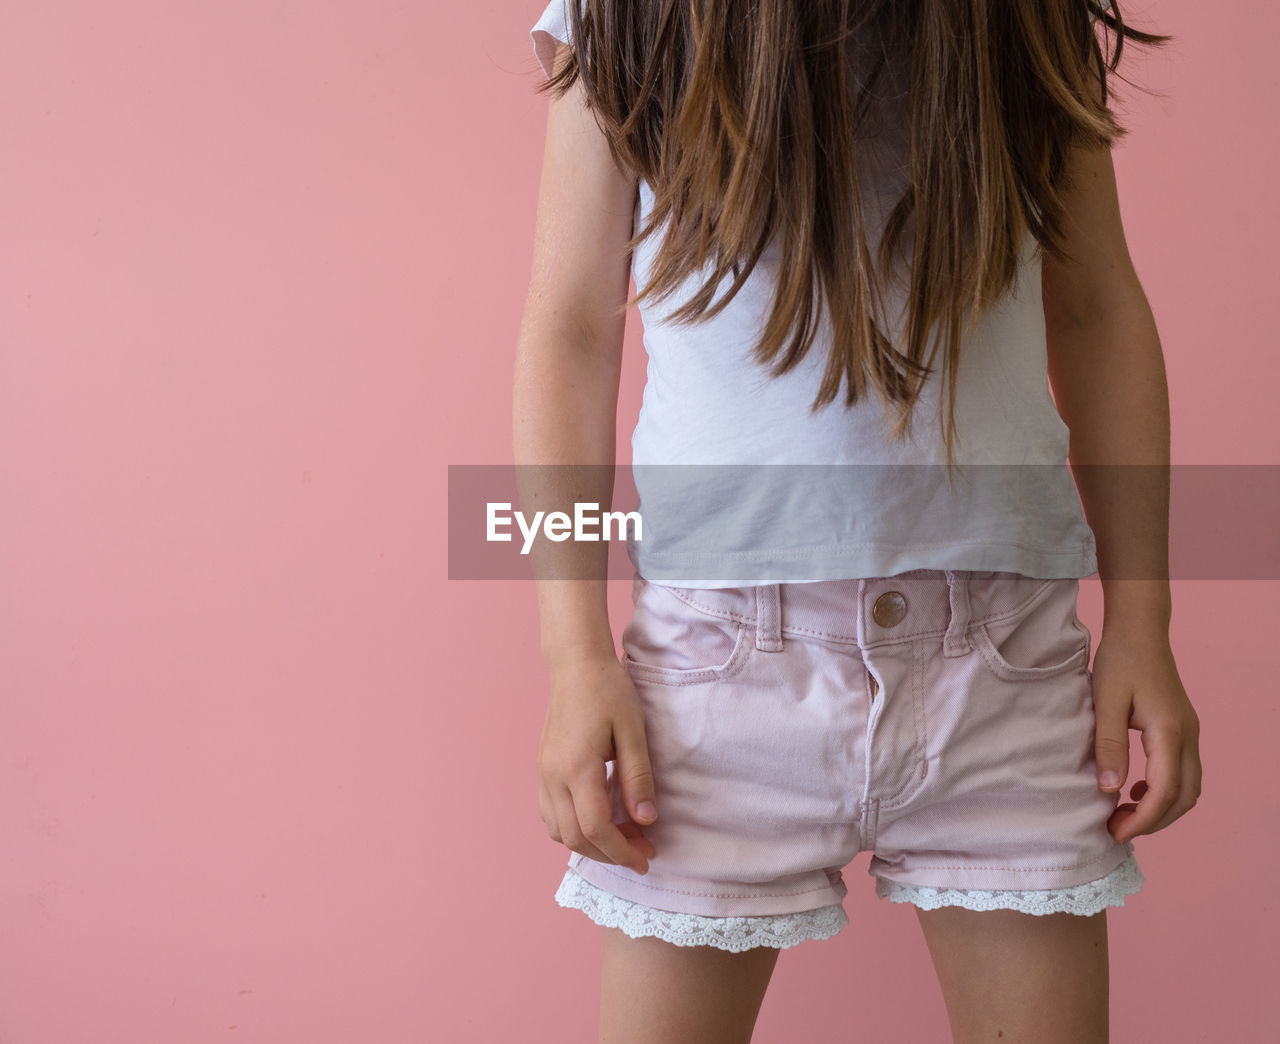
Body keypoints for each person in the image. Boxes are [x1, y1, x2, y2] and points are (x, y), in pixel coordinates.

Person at [513, 1, 1202, 1041]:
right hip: (713, 677)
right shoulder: (624, 15)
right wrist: (571, 659)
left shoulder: (1020, 17)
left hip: (1003, 662)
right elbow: (566, 337)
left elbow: (1096, 305)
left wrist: (1143, 622)